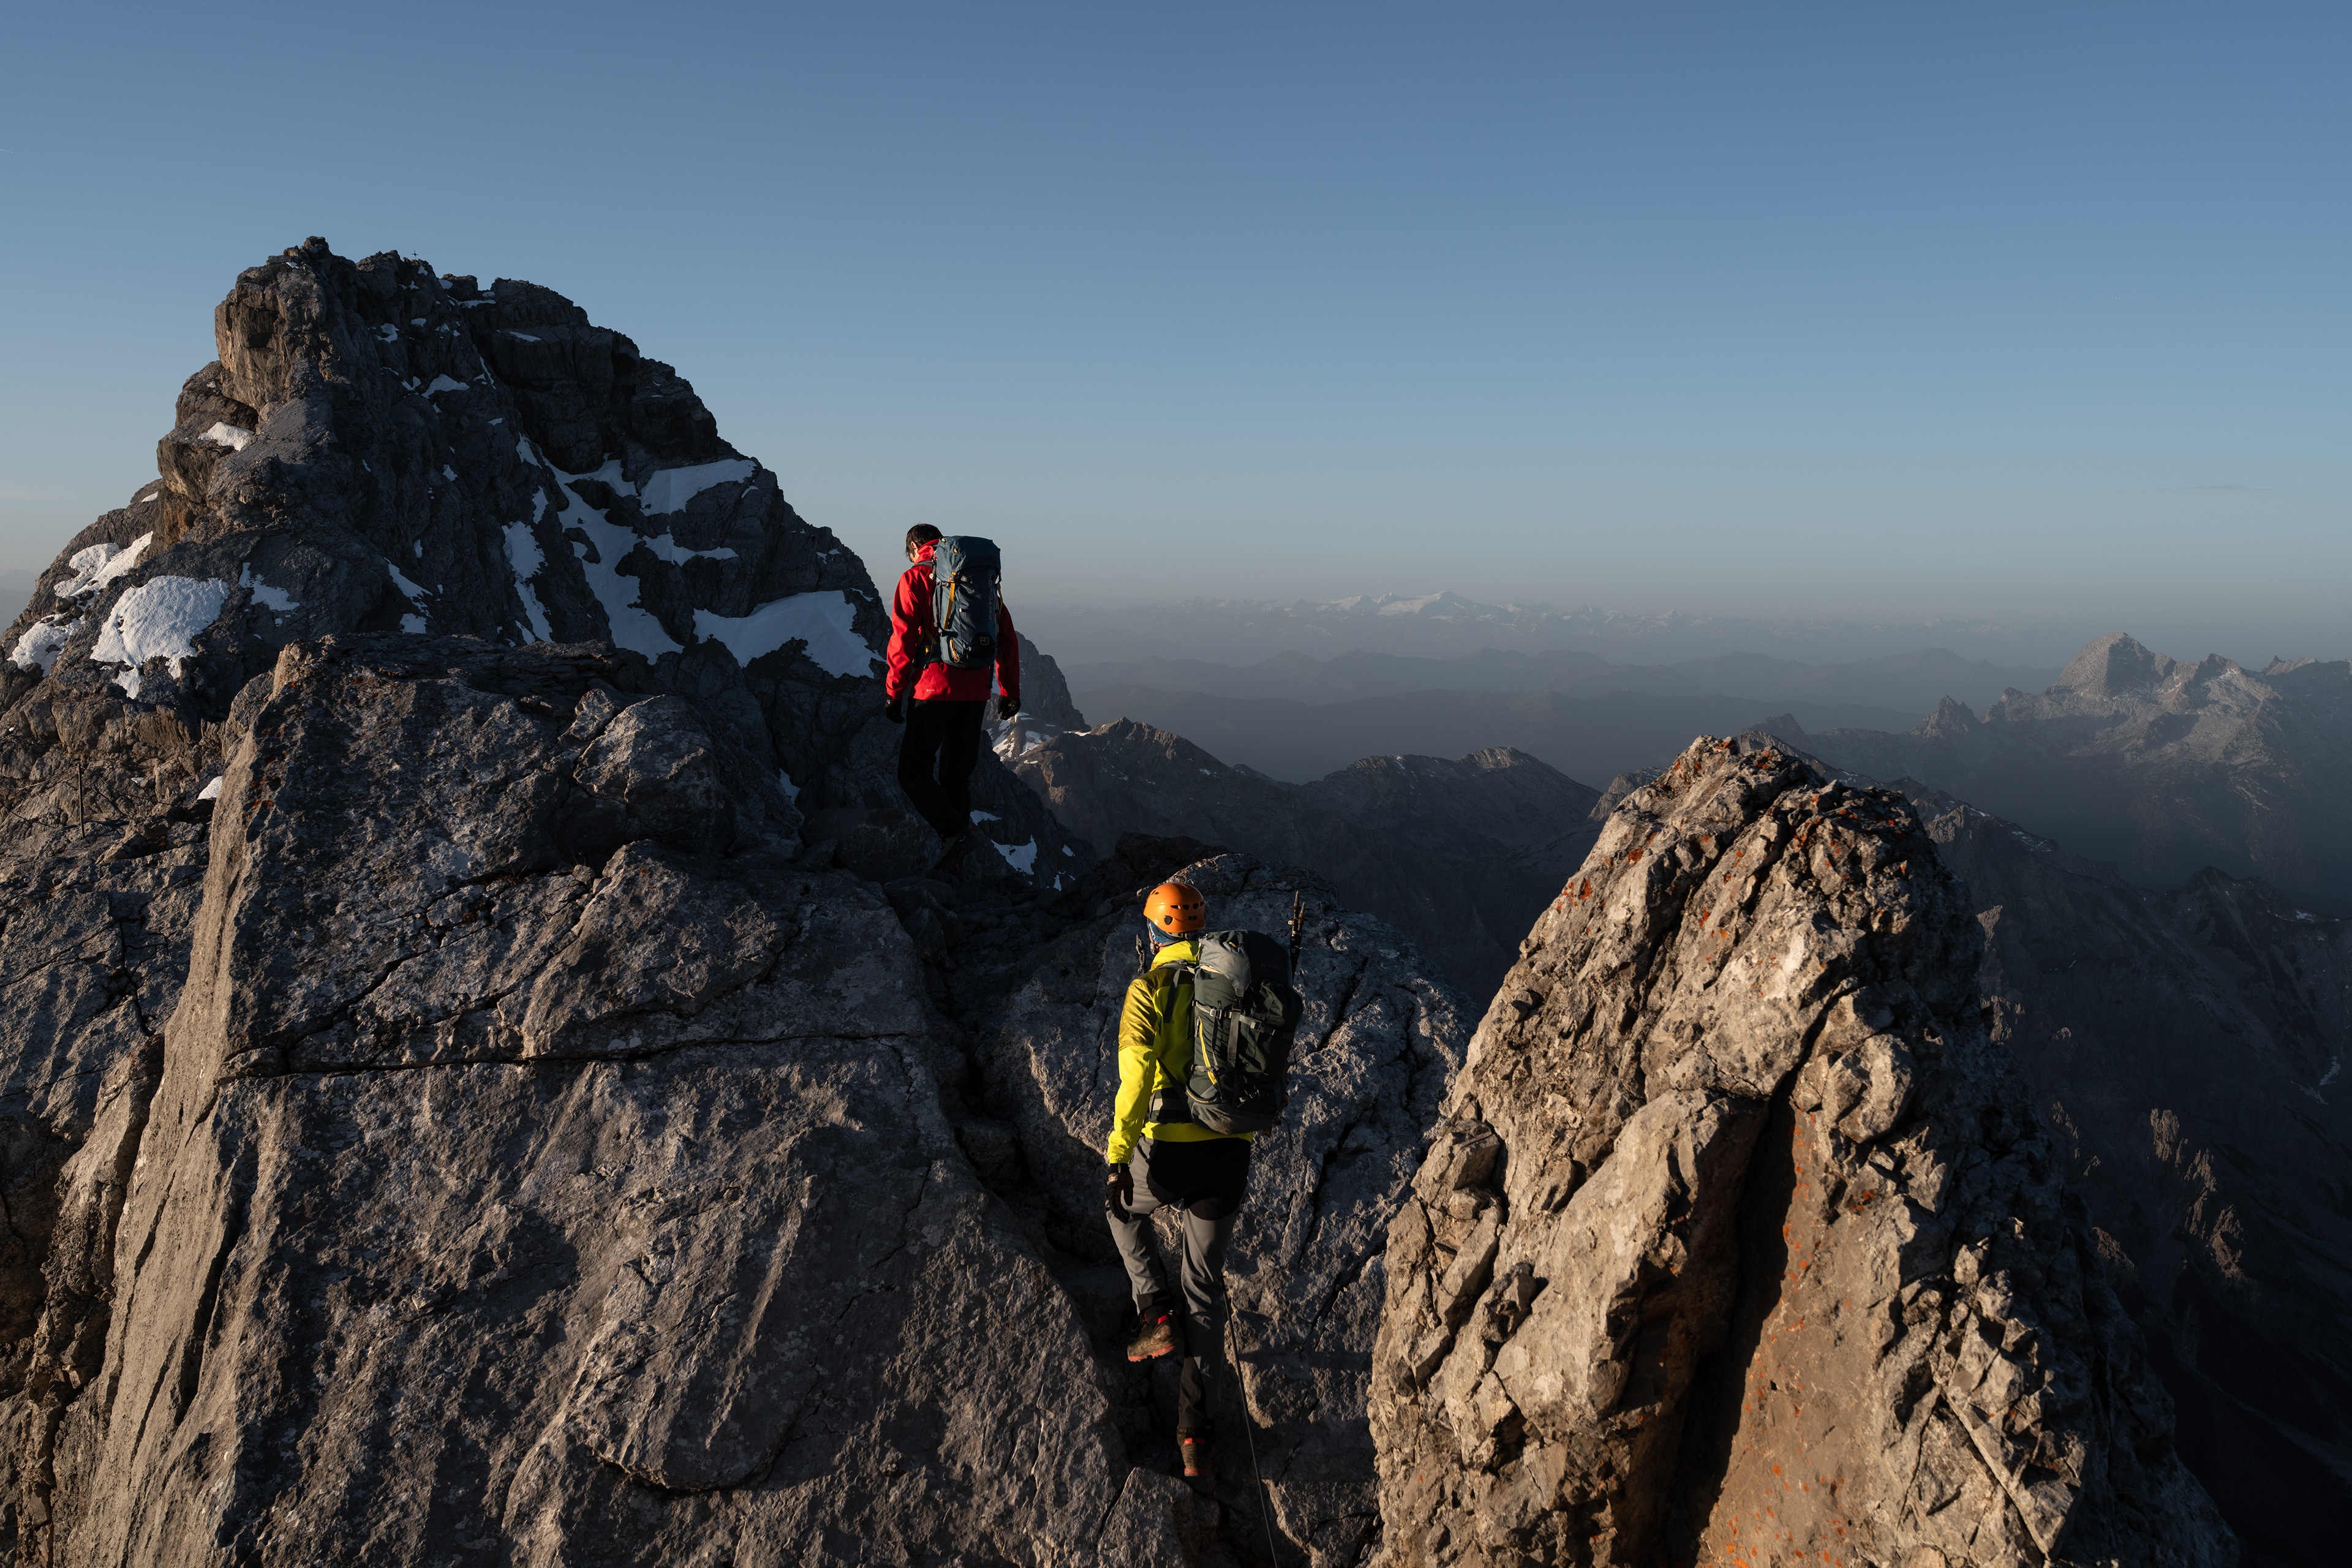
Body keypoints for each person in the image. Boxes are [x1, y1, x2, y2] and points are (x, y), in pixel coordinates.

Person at [1104, 880, 1253, 1481]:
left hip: (1167, 1151)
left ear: (1154, 934)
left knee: (1120, 1210)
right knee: (1206, 1290)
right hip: (1228, 1155)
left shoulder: (1148, 989)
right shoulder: (1237, 981)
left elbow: (1136, 1079)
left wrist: (1118, 1155)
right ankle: (1195, 1434)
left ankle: (1153, 1310)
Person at [883, 524, 1019, 872]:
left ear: (915, 548)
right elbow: (1006, 637)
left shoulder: (915, 578)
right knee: (956, 777)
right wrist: (1009, 691)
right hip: (975, 693)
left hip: (933, 690)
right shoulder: (976, 578)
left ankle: (954, 833)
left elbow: (903, 640)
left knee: (913, 770)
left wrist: (893, 693)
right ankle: (956, 859)